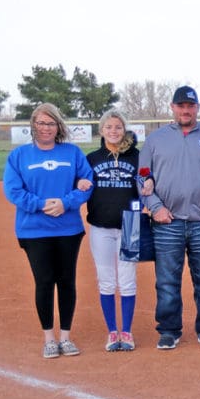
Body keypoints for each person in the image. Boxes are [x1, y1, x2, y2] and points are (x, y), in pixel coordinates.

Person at [138, 86, 200, 350]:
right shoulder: (155, 140)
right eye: (181, 105)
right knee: (167, 281)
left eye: (190, 106)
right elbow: (142, 177)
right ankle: (169, 330)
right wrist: (155, 206)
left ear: (197, 108)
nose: (185, 110)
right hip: (167, 223)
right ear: (172, 107)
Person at [3, 103, 93, 358]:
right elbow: (13, 190)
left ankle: (65, 337)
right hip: (34, 230)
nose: (46, 128)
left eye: (51, 123)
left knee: (66, 281)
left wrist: (66, 202)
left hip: (68, 229)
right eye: (41, 123)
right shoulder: (19, 156)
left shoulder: (72, 153)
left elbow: (87, 185)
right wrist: (41, 205)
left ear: (58, 127)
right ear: (33, 125)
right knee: (44, 282)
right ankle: (49, 338)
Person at [84, 110, 141, 351]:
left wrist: (148, 182)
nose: (114, 131)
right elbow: (82, 183)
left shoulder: (137, 157)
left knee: (128, 281)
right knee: (106, 280)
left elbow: (149, 180)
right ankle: (112, 332)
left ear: (124, 129)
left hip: (130, 224)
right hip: (100, 227)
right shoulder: (92, 158)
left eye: (118, 127)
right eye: (109, 127)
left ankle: (126, 332)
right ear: (101, 130)